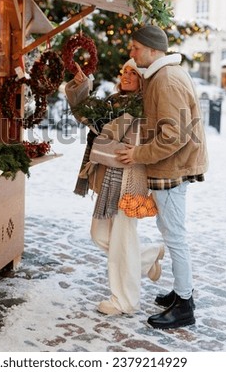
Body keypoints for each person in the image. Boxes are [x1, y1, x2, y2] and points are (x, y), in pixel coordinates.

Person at [116, 25, 208, 329]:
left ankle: (184, 306)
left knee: (174, 235)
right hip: (172, 167)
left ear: (153, 50)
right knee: (170, 229)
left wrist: (138, 154)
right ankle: (183, 293)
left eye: (136, 48)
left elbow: (175, 134)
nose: (132, 54)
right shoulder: (160, 75)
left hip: (173, 168)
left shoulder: (166, 79)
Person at [65, 60, 164, 316]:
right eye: (124, 71)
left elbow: (124, 150)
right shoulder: (114, 101)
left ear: (143, 78)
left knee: (121, 241)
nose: (127, 75)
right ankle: (149, 255)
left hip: (128, 181)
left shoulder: (142, 107)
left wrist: (101, 145)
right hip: (109, 181)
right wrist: (81, 85)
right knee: (101, 236)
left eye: (133, 72)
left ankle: (124, 301)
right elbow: (86, 114)